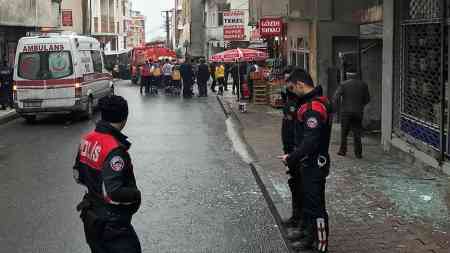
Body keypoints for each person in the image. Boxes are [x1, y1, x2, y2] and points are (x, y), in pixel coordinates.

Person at [73, 95, 142, 253]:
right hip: (112, 224)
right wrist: (136, 195)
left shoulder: (87, 139)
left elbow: (77, 175)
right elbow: (114, 191)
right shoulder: (114, 149)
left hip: (91, 216)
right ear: (124, 118)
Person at [280, 68, 332, 253]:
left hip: (314, 162)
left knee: (316, 205)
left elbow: (310, 141)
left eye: (293, 87)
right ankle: (309, 236)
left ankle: (320, 244)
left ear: (301, 84)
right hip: (307, 162)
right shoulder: (308, 103)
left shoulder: (314, 108)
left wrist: (291, 157)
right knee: (309, 203)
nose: (291, 91)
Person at [333, 74, 370, 159]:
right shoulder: (363, 85)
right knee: (357, 133)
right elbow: (367, 99)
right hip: (358, 112)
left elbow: (336, 97)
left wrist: (337, 107)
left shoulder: (343, 84)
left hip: (346, 112)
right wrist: (360, 105)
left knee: (344, 132)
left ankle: (342, 151)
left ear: (347, 75)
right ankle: (358, 153)